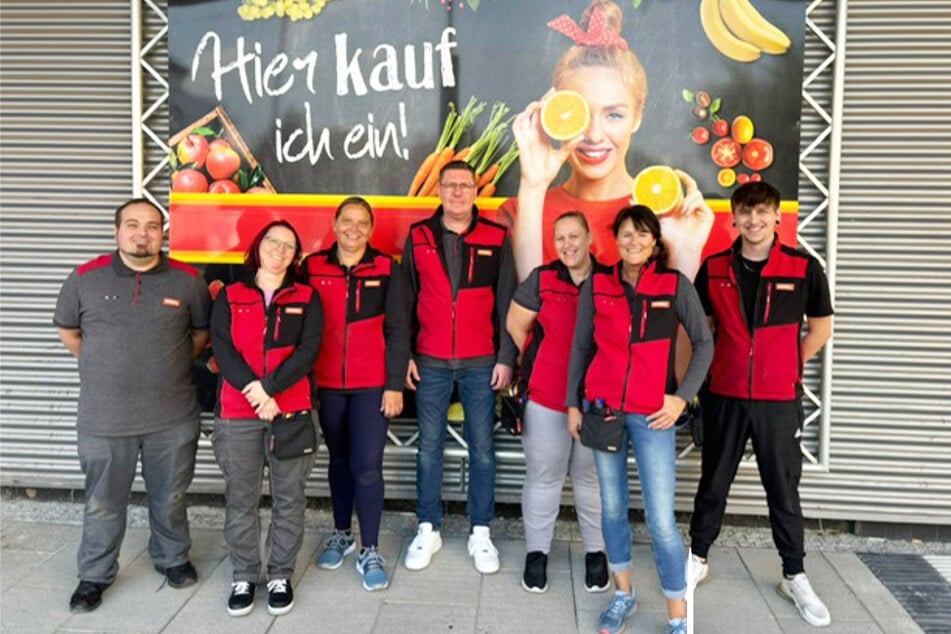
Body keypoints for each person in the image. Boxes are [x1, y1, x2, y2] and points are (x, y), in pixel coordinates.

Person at [53, 198, 211, 613]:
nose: (143, 234)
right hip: (104, 420)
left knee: (171, 496)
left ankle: (173, 558)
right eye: (133, 225)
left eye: (153, 226)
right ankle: (94, 575)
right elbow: (70, 335)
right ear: (117, 231)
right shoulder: (84, 278)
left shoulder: (188, 280)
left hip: (173, 417)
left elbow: (199, 338)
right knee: (103, 501)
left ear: (164, 233)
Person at [688, 181, 834, 627]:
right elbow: (700, 330)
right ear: (734, 217)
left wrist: (786, 363)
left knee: (783, 489)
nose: (754, 220)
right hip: (725, 395)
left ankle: (794, 575)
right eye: (746, 212)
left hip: (777, 399)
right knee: (713, 481)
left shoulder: (803, 268)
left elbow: (821, 328)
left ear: (777, 217)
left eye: (763, 212)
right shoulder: (712, 268)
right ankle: (697, 558)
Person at [566, 205, 713, 634]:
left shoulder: (674, 284)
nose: (634, 242)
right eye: (626, 234)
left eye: (642, 234)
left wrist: (682, 399)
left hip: (654, 416)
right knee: (612, 508)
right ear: (616, 240)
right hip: (604, 410)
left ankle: (678, 616)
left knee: (661, 520)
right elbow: (580, 348)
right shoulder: (598, 285)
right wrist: (574, 403)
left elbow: (703, 344)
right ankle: (623, 594)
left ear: (655, 242)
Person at [504, 0, 713, 282]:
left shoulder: (674, 219)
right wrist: (533, 185)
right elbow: (525, 314)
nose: (594, 135)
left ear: (637, 117)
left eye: (614, 115)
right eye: (580, 114)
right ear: (555, 114)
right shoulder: (519, 212)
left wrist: (684, 255)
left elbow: (677, 325)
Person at [402, 160, 518, 574]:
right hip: (430, 360)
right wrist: (405, 357)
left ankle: (480, 531)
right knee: (428, 449)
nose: (456, 193)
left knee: (483, 450)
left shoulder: (496, 236)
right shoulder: (418, 237)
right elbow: (405, 302)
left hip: (480, 361)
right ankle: (428, 526)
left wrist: (506, 356)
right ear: (438, 190)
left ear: (475, 192)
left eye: (464, 186)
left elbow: (508, 301)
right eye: (449, 185)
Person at [209, 220, 323, 617]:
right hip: (237, 413)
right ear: (258, 247)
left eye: (289, 246)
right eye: (272, 242)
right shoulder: (230, 295)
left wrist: (270, 389)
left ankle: (279, 574)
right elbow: (222, 350)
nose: (279, 250)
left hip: (290, 411)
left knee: (289, 498)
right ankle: (244, 573)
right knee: (241, 499)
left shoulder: (307, 296)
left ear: (296, 256)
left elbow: (308, 351)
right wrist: (257, 394)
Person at [303, 197, 410, 592]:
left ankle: (370, 549)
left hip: (371, 386)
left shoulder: (387, 268)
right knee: (339, 460)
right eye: (347, 221)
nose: (354, 228)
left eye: (362, 222)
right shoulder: (311, 267)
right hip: (326, 384)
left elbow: (399, 329)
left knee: (367, 465)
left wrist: (394, 383)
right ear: (334, 224)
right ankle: (341, 533)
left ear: (371, 227)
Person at [505, 211, 610, 594]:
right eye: (560, 238)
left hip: (598, 402)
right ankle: (537, 555)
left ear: (589, 237)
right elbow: (517, 326)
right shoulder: (542, 279)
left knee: (590, 480)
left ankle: (596, 555)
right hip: (547, 398)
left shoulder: (609, 281)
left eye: (574, 236)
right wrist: (544, 361)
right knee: (543, 477)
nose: (567, 245)